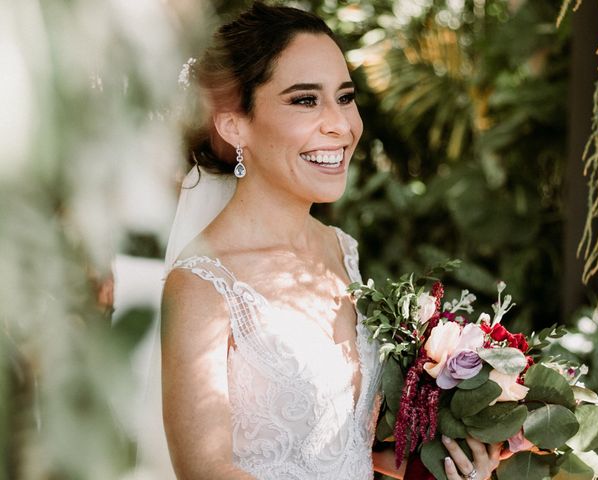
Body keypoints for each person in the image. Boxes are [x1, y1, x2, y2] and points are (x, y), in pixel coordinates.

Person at [160, 3, 501, 479]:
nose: (341, 125)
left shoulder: (340, 249)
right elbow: (204, 471)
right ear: (234, 123)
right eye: (305, 100)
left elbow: (338, 445)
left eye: (345, 97)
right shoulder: (201, 283)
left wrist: (437, 466)